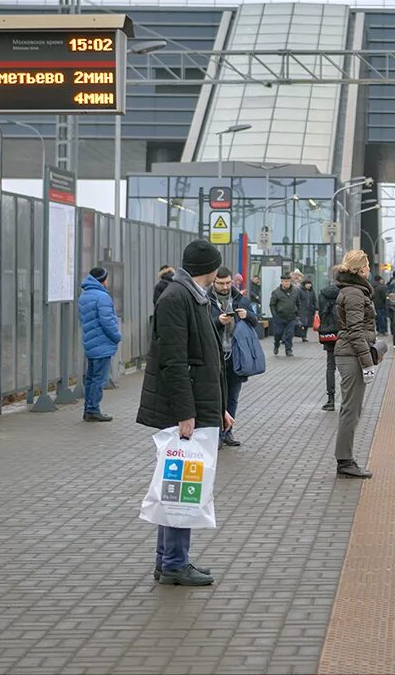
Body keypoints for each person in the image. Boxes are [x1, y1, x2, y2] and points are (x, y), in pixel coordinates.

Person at [138, 239, 231, 587]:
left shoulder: (192, 296)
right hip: (185, 411)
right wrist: (186, 414)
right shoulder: (178, 299)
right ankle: (175, 563)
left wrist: (220, 407)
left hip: (197, 405)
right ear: (209, 268)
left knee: (178, 484)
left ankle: (169, 560)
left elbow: (203, 359)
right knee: (182, 485)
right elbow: (174, 363)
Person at [334, 250, 378, 479]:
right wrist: (367, 362)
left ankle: (345, 459)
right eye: (367, 266)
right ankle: (345, 462)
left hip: (350, 354)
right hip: (351, 356)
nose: (369, 270)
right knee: (351, 410)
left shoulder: (352, 291)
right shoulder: (354, 294)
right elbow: (355, 331)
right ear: (361, 269)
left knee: (352, 409)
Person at [209, 267, 256, 449]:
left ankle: (227, 432)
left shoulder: (239, 299)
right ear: (214, 282)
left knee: (233, 395)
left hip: (236, 354)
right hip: (215, 355)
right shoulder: (207, 300)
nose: (225, 286)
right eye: (221, 283)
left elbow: (254, 320)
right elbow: (202, 326)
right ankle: (217, 433)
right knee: (216, 395)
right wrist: (218, 321)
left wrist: (247, 315)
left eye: (228, 283)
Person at [78, 266, 121, 422]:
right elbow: (107, 321)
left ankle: (88, 408)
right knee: (99, 379)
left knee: (91, 378)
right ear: (103, 279)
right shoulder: (102, 297)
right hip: (102, 343)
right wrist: (117, 336)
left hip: (90, 342)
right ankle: (93, 410)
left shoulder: (85, 295)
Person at [317, 270, 341, 411]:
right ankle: (347, 401)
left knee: (330, 367)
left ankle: (330, 400)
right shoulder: (345, 292)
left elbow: (321, 312)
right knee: (345, 368)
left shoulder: (323, 293)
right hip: (343, 333)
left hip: (328, 334)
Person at [270, 274, 301, 356]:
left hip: (291, 317)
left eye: (288, 281)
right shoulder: (276, 292)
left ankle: (288, 349)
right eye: (285, 281)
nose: (287, 283)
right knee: (278, 333)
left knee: (289, 334)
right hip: (280, 317)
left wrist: (298, 314)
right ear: (282, 282)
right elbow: (272, 304)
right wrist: (275, 315)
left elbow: (298, 303)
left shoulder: (295, 291)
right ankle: (276, 345)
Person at [297, 278, 317, 342]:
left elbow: (315, 300)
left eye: (310, 284)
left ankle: (304, 336)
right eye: (307, 284)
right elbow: (298, 300)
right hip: (302, 309)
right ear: (304, 284)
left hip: (309, 310)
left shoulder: (312, 291)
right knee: (303, 323)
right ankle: (303, 336)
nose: (309, 285)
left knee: (307, 323)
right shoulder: (300, 291)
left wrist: (316, 308)